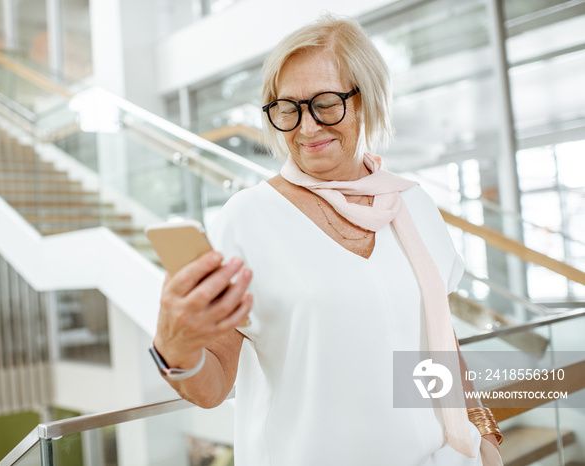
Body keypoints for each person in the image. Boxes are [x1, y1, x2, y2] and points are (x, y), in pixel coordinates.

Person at [151, 14, 503, 465]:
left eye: (326, 103)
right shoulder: (248, 218)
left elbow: (438, 342)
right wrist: (174, 346)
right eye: (288, 109)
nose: (307, 127)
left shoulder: (413, 206)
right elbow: (213, 386)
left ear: (368, 99)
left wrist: (483, 434)